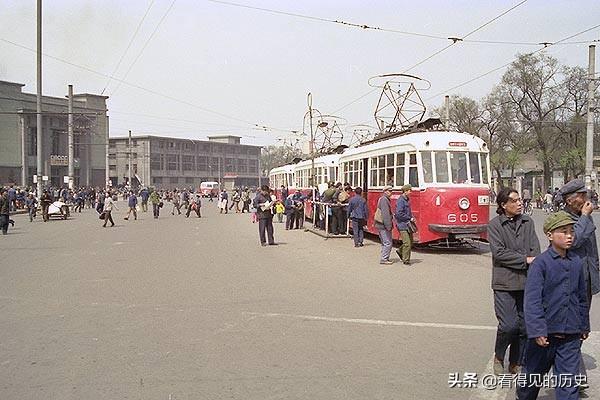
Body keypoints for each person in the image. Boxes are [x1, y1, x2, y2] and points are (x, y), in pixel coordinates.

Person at [516, 211, 590, 400]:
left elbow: (582, 297)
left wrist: (583, 325)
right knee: (530, 381)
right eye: (563, 232)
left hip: (570, 335)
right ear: (549, 235)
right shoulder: (541, 264)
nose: (569, 236)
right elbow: (532, 301)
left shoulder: (576, 262)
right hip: (544, 335)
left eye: (571, 232)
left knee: (568, 385)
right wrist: (538, 330)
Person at [487, 187, 541, 375]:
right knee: (508, 325)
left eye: (520, 200)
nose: (520, 203)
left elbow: (535, 249)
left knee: (524, 326)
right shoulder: (494, 225)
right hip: (504, 283)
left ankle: (516, 361)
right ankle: (499, 356)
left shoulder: (528, 222)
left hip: (527, 282)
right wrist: (524, 259)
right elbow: (499, 253)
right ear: (503, 205)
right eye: (515, 201)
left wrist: (534, 263)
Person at [559, 178, 599, 387]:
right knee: (572, 328)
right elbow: (573, 242)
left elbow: (592, 251)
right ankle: (573, 375)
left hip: (587, 280)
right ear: (569, 199)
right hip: (572, 281)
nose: (586, 199)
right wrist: (584, 217)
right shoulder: (562, 218)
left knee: (581, 327)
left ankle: (573, 372)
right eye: (581, 196)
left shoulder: (585, 217)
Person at [394, 184, 415, 265]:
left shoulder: (406, 199)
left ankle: (400, 251)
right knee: (407, 243)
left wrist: (411, 217)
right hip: (402, 224)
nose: (410, 192)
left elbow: (407, 212)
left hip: (407, 224)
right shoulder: (401, 201)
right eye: (409, 190)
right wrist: (409, 218)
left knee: (411, 242)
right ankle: (406, 260)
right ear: (405, 191)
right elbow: (398, 213)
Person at [374, 186, 394, 265]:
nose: (391, 192)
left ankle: (384, 257)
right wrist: (388, 226)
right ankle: (384, 258)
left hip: (380, 224)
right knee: (388, 242)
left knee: (384, 242)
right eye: (389, 191)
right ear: (385, 191)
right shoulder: (384, 200)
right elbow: (385, 215)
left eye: (391, 191)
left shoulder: (382, 199)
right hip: (383, 225)